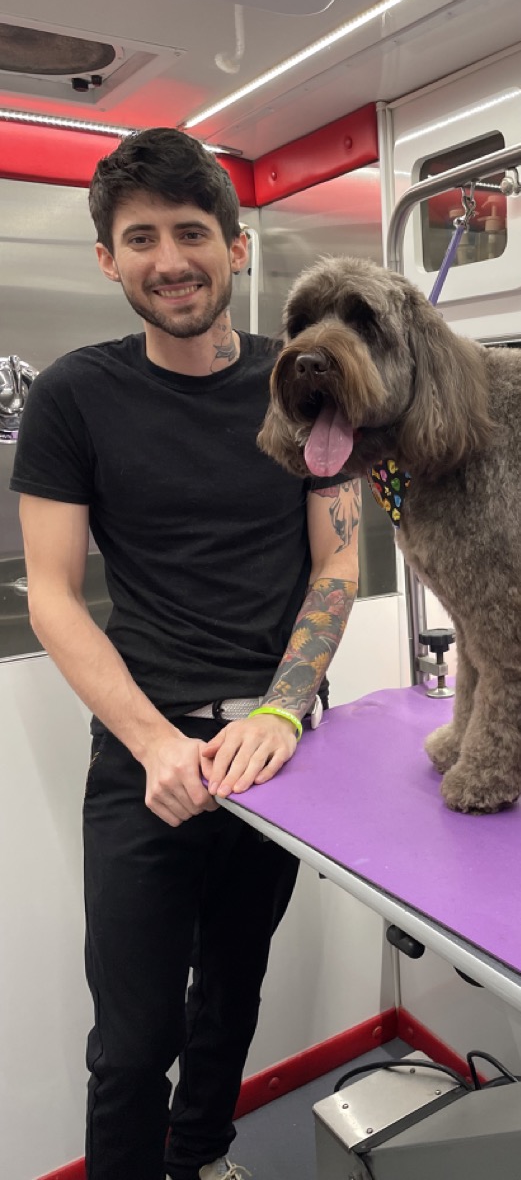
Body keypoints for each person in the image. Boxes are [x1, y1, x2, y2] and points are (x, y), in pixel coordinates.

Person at [11, 127, 361, 1180]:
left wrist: (281, 710)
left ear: (238, 246)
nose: (173, 257)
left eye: (194, 230)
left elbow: (336, 570)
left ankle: (204, 1155)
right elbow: (55, 595)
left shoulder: (308, 385)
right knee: (131, 1042)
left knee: (233, 992)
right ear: (109, 259)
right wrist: (160, 744)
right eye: (143, 236)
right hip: (143, 761)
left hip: (279, 752)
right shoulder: (75, 396)